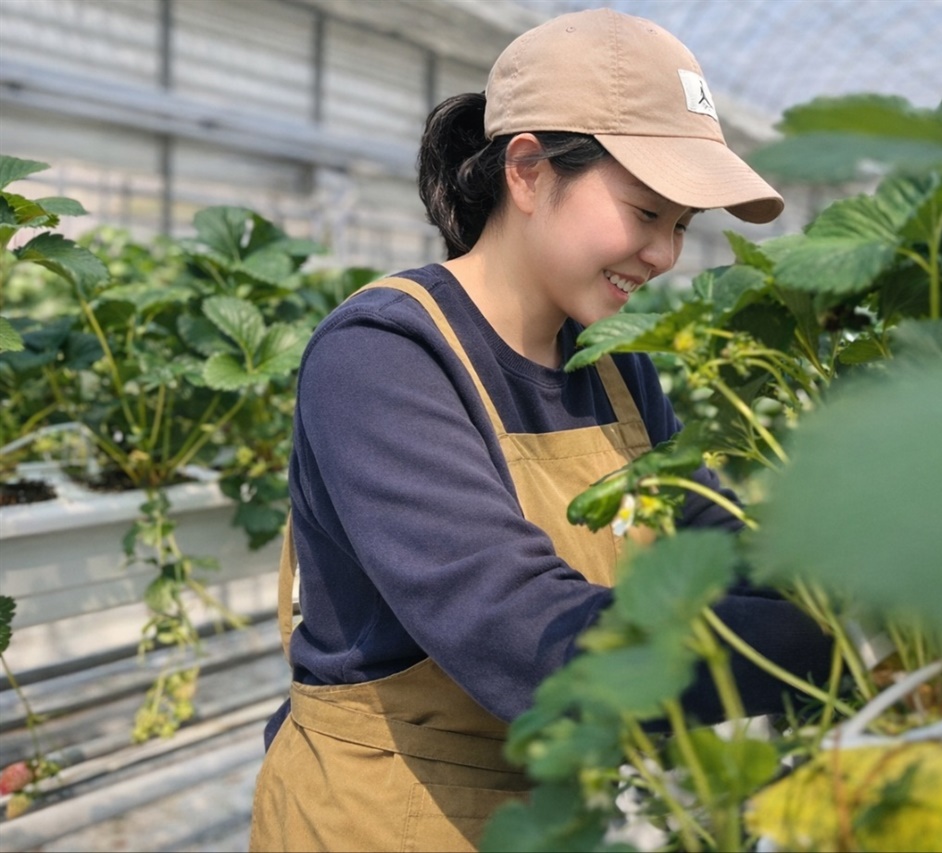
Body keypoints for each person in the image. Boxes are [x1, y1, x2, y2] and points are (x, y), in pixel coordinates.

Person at [249, 8, 833, 852]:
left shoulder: (611, 360)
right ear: (527, 171)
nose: (666, 255)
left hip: (561, 807)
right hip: (387, 816)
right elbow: (527, 637)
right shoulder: (383, 356)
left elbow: (713, 537)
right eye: (645, 211)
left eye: (681, 226)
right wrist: (826, 637)